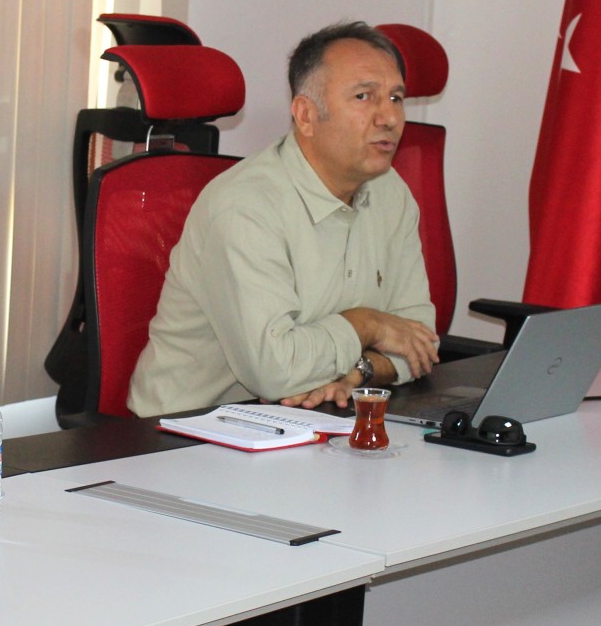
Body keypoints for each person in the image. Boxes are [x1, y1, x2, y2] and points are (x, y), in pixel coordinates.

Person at [128, 21, 440, 417]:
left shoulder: (391, 192)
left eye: (396, 98)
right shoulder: (245, 206)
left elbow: (420, 341)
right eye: (364, 96)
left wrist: (358, 371)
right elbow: (274, 371)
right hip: (188, 429)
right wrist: (368, 325)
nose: (389, 118)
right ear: (306, 115)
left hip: (306, 418)